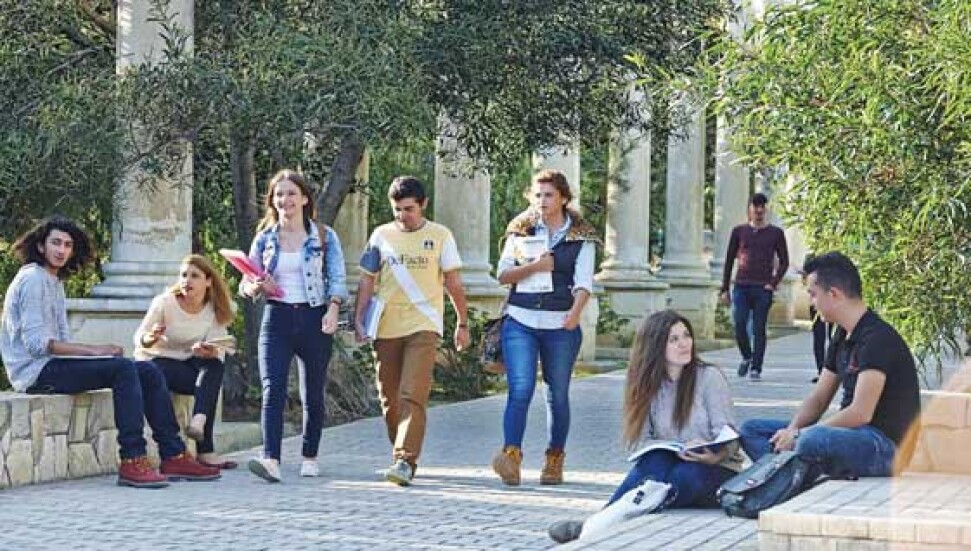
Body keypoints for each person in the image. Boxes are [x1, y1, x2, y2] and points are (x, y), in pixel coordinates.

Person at [0, 216, 220, 488]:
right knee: (123, 368)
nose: (61, 250)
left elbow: (59, 340)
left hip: (54, 365)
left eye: (67, 245)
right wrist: (96, 350)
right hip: (34, 372)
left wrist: (97, 354)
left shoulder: (52, 281)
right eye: (55, 243)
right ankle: (132, 460)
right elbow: (37, 344)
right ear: (42, 247)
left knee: (147, 370)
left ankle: (173, 454)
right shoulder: (33, 279)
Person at [547, 310, 743, 544]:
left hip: (716, 470)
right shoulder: (647, 384)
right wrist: (670, 448)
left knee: (684, 474)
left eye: (686, 336)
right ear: (655, 346)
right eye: (674, 339)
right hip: (669, 462)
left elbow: (729, 435)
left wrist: (714, 455)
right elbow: (643, 440)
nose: (684, 344)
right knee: (655, 459)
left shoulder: (709, 376)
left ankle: (601, 523)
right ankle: (606, 519)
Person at [739, 252, 920, 484]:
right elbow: (819, 398)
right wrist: (792, 429)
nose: (812, 303)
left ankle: (792, 476)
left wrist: (799, 435)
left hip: (884, 446)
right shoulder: (842, 334)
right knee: (751, 430)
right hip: (849, 435)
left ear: (834, 294)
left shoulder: (877, 339)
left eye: (813, 295)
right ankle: (790, 479)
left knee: (811, 440)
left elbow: (861, 413)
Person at [353, 175, 470, 486]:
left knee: (412, 394)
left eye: (408, 209)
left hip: (424, 325)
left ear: (423, 205)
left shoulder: (441, 236)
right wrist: (359, 318)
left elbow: (453, 283)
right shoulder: (380, 236)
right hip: (386, 326)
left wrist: (462, 322)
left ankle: (406, 459)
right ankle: (399, 453)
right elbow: (367, 280)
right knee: (389, 398)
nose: (402, 216)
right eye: (396, 210)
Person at [490, 169, 599, 487]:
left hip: (560, 322)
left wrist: (575, 314)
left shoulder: (582, 237)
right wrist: (535, 267)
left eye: (549, 195)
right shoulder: (520, 230)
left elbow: (583, 283)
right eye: (537, 195)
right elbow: (502, 274)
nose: (542, 201)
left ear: (564, 198)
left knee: (557, 394)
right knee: (520, 389)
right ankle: (511, 456)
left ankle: (554, 458)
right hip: (521, 319)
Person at [240, 169, 348, 482]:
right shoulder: (265, 238)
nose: (285, 200)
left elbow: (337, 278)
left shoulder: (324, 236)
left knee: (312, 392)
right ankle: (270, 458)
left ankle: (309, 455)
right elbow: (246, 282)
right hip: (277, 318)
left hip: (314, 317)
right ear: (272, 201)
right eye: (279, 194)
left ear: (303, 198)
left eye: (290, 193)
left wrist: (333, 310)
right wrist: (258, 286)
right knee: (272, 389)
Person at [134, 254, 237, 469]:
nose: (186, 281)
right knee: (163, 369)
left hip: (188, 364)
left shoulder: (213, 309)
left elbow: (219, 349)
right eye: (183, 275)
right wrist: (151, 337)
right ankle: (204, 449)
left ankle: (199, 423)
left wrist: (207, 350)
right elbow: (139, 339)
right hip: (158, 363)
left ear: (208, 282)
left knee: (215, 367)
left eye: (194, 276)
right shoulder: (164, 303)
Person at [720, 192, 789, 380]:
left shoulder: (775, 233)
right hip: (741, 285)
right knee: (739, 323)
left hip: (762, 288)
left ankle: (756, 368)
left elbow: (784, 262)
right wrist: (725, 288)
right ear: (749, 209)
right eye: (755, 206)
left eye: (762, 206)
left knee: (759, 328)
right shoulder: (739, 231)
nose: (759, 210)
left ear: (766, 209)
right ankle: (746, 356)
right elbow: (728, 261)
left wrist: (773, 284)